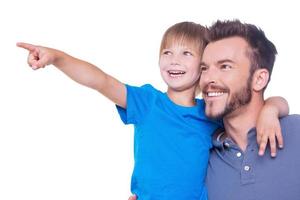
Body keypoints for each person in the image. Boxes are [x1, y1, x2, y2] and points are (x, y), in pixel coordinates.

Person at [17, 22, 288, 200]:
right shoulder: (147, 102)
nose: (174, 60)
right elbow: (100, 80)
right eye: (167, 52)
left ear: (202, 66)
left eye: (186, 54)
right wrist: (57, 58)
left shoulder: (210, 113)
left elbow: (260, 104)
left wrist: (271, 109)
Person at [199, 20, 300, 199]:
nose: (207, 78)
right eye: (204, 68)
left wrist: (272, 108)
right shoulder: (201, 156)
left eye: (225, 66)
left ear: (259, 79)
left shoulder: (296, 131)